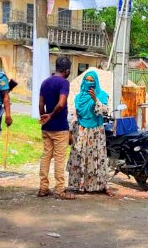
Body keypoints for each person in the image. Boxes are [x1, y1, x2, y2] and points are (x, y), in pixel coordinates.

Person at [66, 71, 111, 195]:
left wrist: (95, 99)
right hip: (81, 130)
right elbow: (75, 114)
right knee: (81, 157)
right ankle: (80, 185)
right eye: (87, 80)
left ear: (96, 82)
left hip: (96, 132)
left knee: (95, 158)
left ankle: (98, 185)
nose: (89, 83)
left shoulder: (102, 95)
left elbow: (105, 111)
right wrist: (70, 131)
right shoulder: (78, 98)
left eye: (92, 81)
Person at [38, 57, 74, 199]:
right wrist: (51, 115)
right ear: (67, 70)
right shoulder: (64, 83)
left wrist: (44, 117)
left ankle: (43, 187)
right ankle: (59, 190)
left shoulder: (45, 82)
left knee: (46, 156)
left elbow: (41, 104)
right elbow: (61, 104)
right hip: (59, 127)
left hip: (46, 127)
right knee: (59, 158)